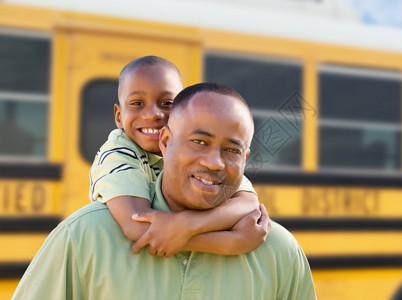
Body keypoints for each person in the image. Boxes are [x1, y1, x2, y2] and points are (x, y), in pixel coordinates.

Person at [12, 83, 316, 299]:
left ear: (245, 159)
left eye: (231, 150)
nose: (214, 162)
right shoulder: (84, 237)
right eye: (199, 142)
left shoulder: (278, 251)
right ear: (166, 141)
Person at [90, 56, 264, 256]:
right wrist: (230, 243)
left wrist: (187, 224)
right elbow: (137, 225)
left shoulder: (188, 150)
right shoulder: (117, 153)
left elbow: (248, 202)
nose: (152, 114)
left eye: (166, 103)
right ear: (119, 116)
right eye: (137, 103)